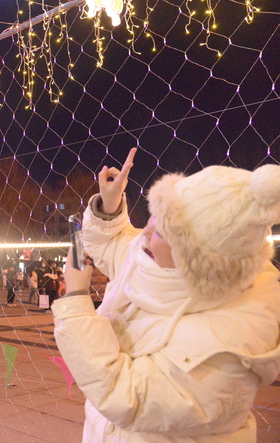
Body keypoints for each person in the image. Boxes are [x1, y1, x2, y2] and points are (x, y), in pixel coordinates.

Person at [53, 148, 280, 441]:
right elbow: (114, 245)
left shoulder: (232, 343)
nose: (145, 231)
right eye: (153, 217)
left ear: (194, 258)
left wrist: (75, 298)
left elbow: (126, 397)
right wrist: (109, 207)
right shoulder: (155, 259)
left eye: (162, 230)